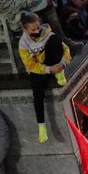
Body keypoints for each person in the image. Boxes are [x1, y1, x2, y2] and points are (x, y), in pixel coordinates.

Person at [17, 10, 69, 143]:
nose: (37, 31)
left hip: (54, 63)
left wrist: (62, 64)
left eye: (38, 27)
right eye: (33, 30)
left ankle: (60, 74)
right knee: (38, 95)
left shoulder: (48, 33)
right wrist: (47, 70)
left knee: (55, 39)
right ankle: (41, 126)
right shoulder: (23, 44)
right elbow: (30, 65)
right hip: (39, 69)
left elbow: (65, 50)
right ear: (25, 30)